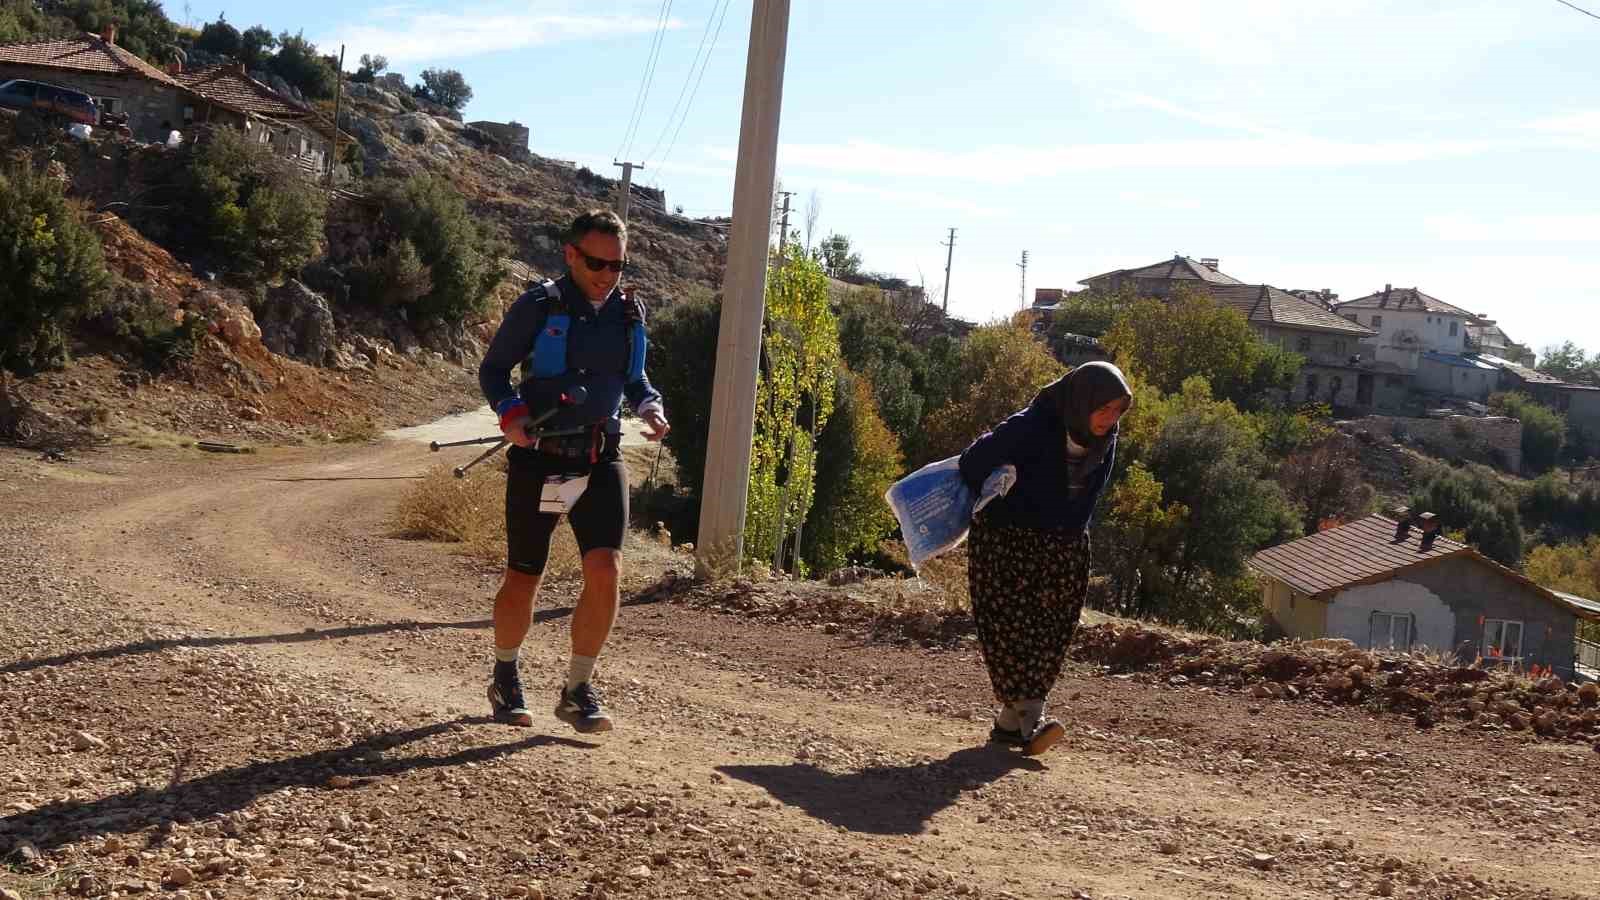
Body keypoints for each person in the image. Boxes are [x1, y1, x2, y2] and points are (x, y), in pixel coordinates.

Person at [477, 209, 669, 733]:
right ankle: (505, 675)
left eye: (617, 265)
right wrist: (511, 414)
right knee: (525, 574)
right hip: (541, 459)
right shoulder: (538, 305)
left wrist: (649, 407)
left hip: (600, 457)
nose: (607, 274)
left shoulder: (629, 314)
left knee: (606, 568)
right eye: (596, 263)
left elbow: (635, 379)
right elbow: (493, 371)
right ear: (570, 254)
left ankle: (578, 687)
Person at [956, 361, 1133, 756]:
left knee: (1052, 632)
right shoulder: (1030, 426)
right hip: (1006, 541)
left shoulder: (1107, 437)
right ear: (1080, 401)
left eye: (1118, 410)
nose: (1110, 419)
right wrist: (1005, 491)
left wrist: (1068, 529)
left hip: (1065, 544)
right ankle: (1031, 718)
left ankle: (1008, 726)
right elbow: (971, 463)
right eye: (1103, 409)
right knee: (1009, 630)